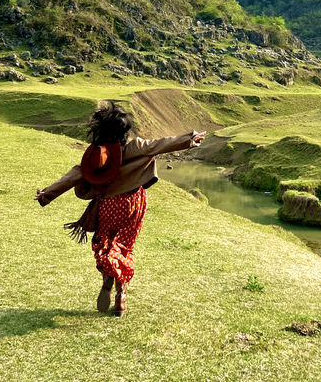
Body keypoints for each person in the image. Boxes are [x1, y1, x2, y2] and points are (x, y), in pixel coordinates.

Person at [35, 102, 205, 317]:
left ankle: (107, 278)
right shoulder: (135, 147)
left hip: (108, 206)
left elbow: (73, 176)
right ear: (125, 131)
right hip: (134, 203)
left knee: (105, 244)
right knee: (125, 247)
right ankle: (121, 296)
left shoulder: (96, 157)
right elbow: (160, 144)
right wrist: (189, 139)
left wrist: (46, 195)